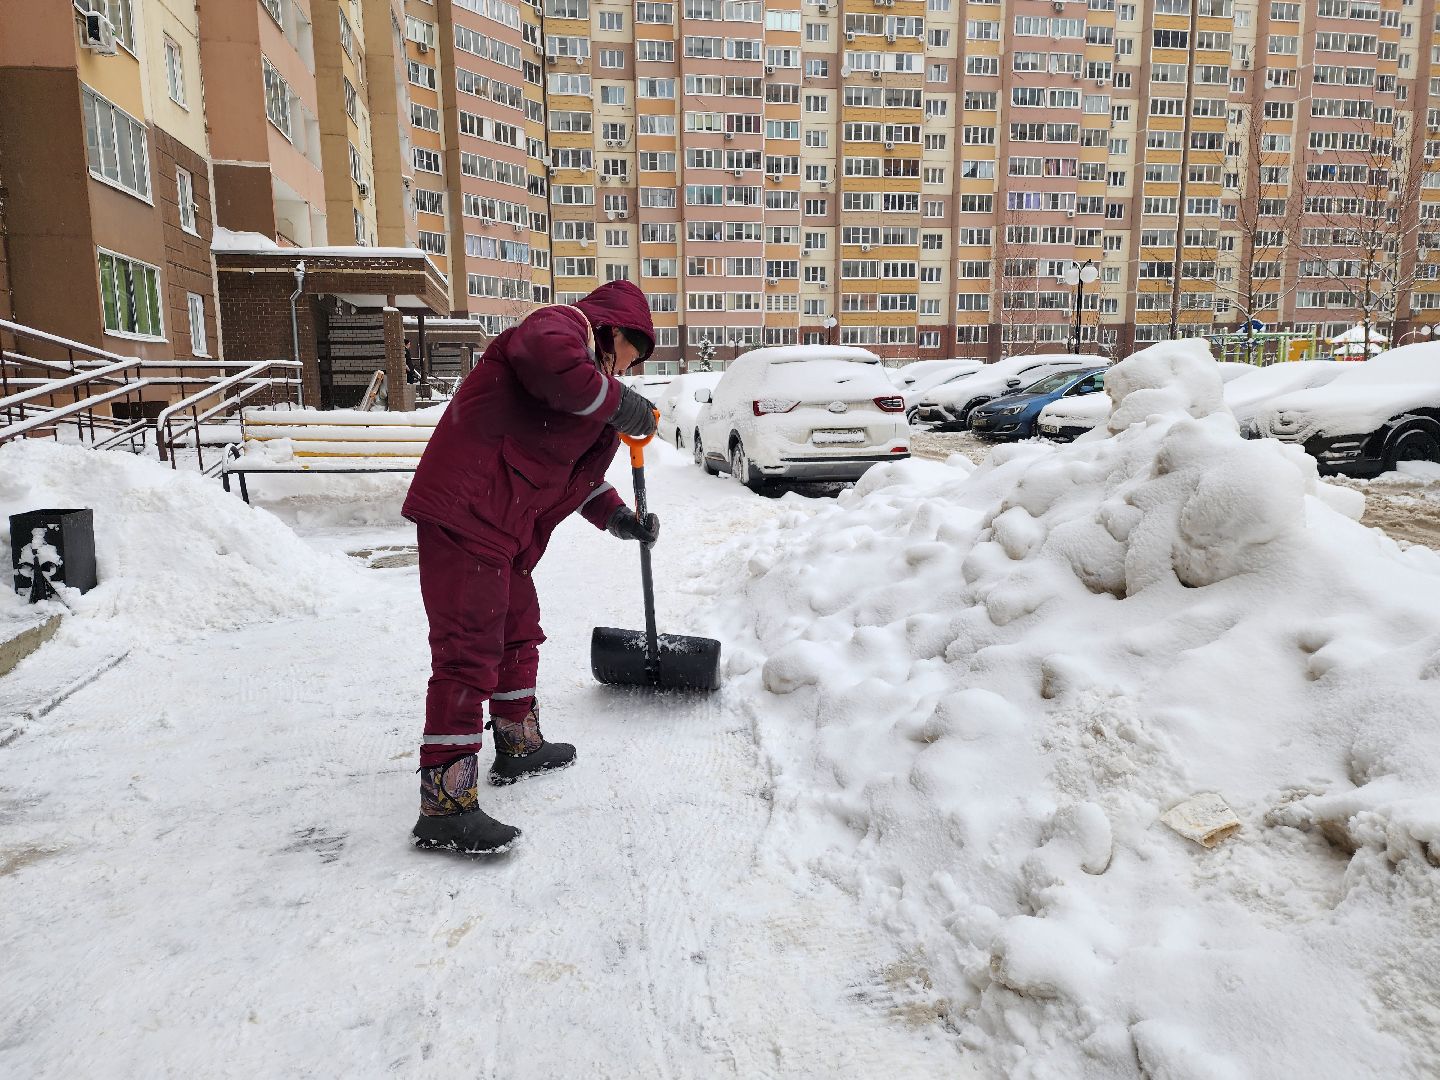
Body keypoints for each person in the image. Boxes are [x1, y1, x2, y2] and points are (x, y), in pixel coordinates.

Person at [401, 280, 660, 854]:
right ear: (612, 331)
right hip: (468, 513)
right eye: (629, 358)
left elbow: (575, 480)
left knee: (519, 632)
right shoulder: (560, 326)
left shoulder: (586, 396)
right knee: (468, 652)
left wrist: (621, 519)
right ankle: (445, 804)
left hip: (503, 533)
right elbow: (547, 360)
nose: (627, 372)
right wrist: (617, 404)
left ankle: (518, 745)